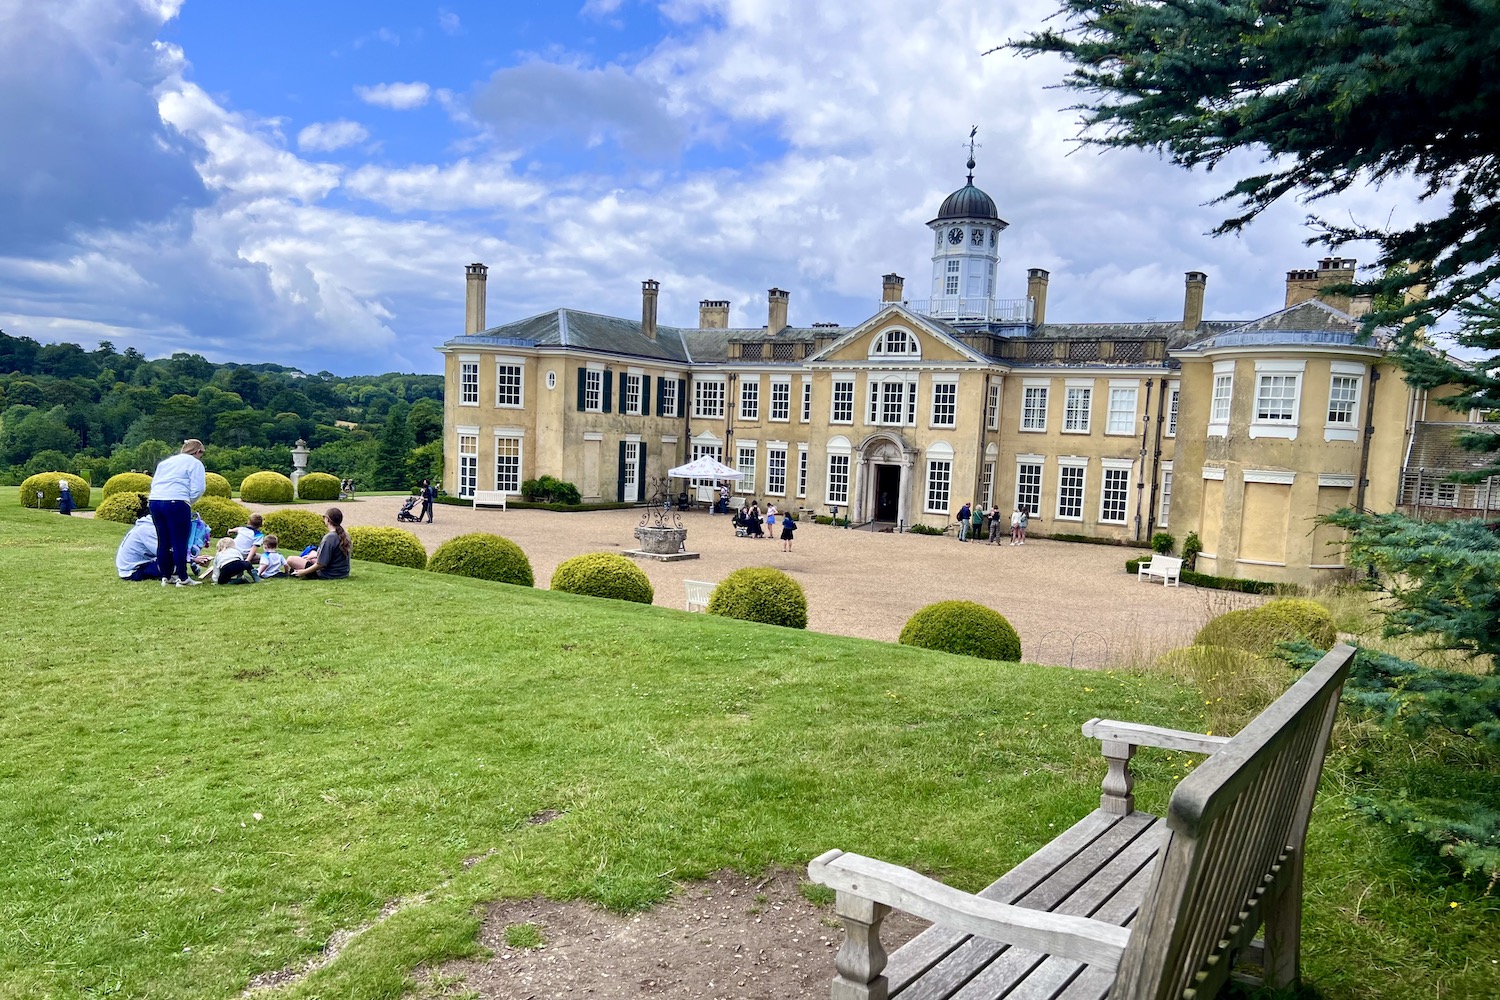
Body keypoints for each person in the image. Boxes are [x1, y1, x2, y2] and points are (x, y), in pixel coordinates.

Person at [148, 439, 207, 586]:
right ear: (198, 451)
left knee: (163, 541)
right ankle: (182, 577)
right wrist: (188, 501)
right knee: (179, 541)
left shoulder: (165, 463)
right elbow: (199, 488)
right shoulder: (195, 463)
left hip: (155, 501)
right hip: (176, 501)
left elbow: (154, 482)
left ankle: (166, 576)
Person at [287, 507, 352, 580]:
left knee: (291, 559)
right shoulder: (345, 535)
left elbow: (321, 564)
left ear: (327, 519)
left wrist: (304, 572)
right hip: (343, 572)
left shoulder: (329, 538)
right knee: (311, 553)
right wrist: (311, 558)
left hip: (328, 574)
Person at [115, 502, 162, 581]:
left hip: (133, 566)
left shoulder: (148, 524)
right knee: (170, 563)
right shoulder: (148, 529)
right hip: (132, 571)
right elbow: (164, 552)